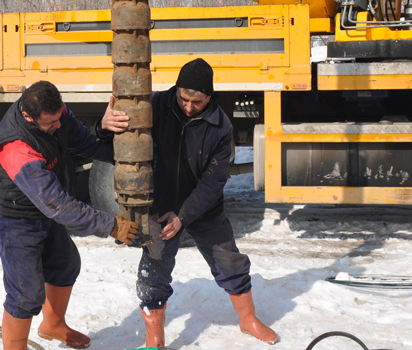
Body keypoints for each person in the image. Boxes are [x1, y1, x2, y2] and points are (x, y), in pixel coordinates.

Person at [100, 58, 279, 347]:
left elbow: (213, 182)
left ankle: (248, 319)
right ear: (177, 90)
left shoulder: (220, 126)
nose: (188, 106)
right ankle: (154, 338)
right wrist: (103, 125)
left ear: (210, 96)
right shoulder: (155, 105)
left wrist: (183, 215)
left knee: (229, 260)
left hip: (201, 206)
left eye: (196, 102)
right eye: (184, 98)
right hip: (159, 203)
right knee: (154, 267)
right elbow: (118, 144)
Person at [0, 80, 139, 350]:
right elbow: (56, 204)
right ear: (27, 116)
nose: (57, 126)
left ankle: (52, 325)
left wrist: (122, 149)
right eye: (49, 124)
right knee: (25, 295)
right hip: (14, 218)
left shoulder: (56, 114)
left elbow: (86, 144)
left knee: (65, 265)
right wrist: (110, 225)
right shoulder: (16, 147)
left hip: (42, 211)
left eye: (59, 119)